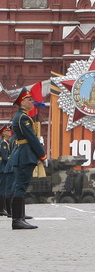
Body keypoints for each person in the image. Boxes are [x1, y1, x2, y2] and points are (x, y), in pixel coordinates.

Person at [8, 88, 45, 230]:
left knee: (20, 187)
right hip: (25, 155)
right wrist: (42, 155)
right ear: (22, 102)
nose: (32, 102)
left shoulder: (21, 117)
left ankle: (20, 217)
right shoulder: (23, 118)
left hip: (22, 154)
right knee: (20, 187)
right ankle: (17, 220)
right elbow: (32, 139)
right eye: (29, 100)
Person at [0, 123, 11, 216]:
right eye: (7, 131)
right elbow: (4, 157)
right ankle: (1, 208)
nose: (9, 132)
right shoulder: (4, 143)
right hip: (3, 168)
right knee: (3, 189)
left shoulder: (5, 142)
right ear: (3, 133)